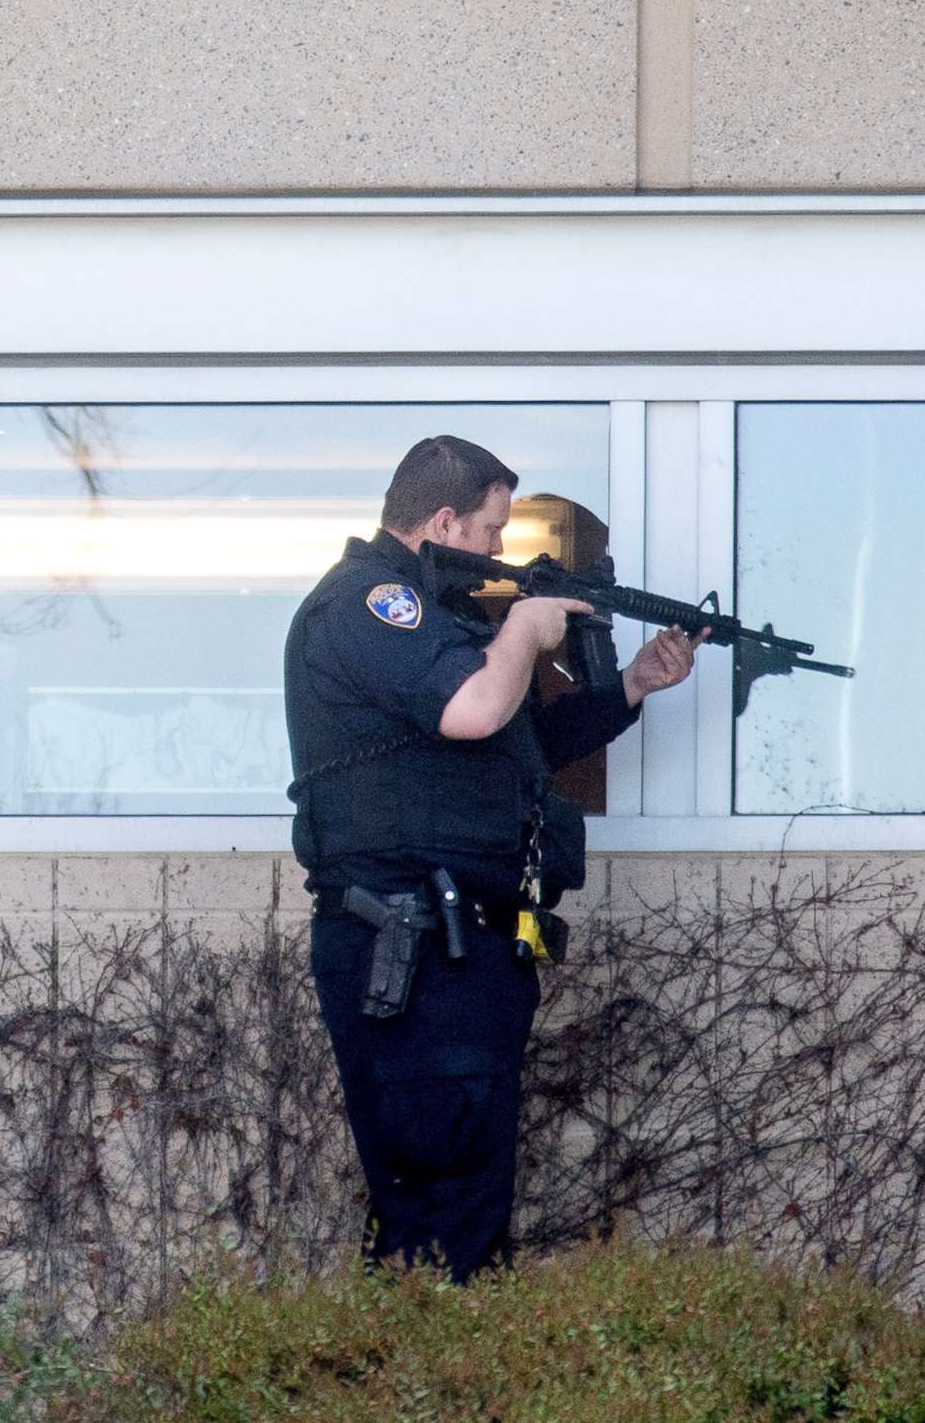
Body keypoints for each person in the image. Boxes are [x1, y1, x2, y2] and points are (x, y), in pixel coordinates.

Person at [282, 434, 701, 1281]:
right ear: (441, 520)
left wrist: (630, 689)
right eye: (490, 530)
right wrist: (520, 632)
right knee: (445, 1205)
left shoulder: (437, 619)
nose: (499, 552)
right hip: (414, 945)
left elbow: (516, 745)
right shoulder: (370, 605)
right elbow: (476, 709)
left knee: (457, 1196)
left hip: (458, 949)